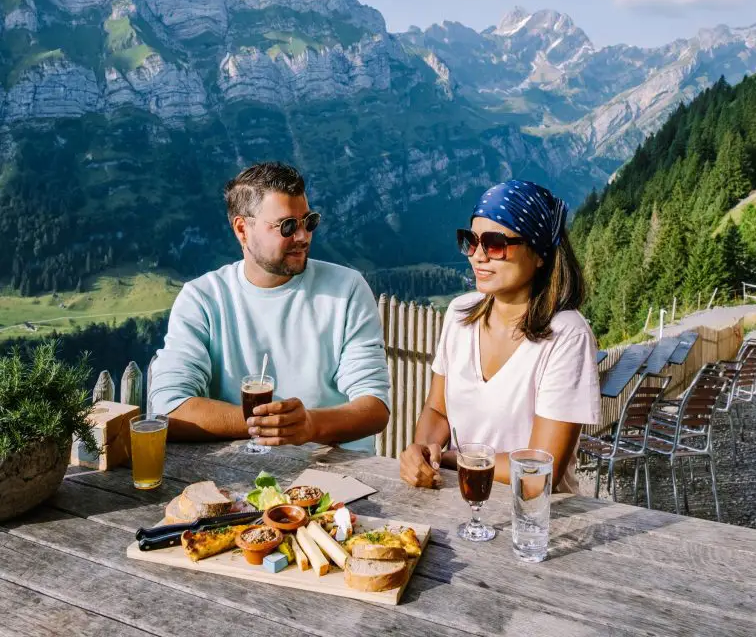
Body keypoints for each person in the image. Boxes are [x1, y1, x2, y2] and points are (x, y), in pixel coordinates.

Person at [149, 162, 390, 451]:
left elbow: (374, 407)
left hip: (337, 480)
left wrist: (310, 425)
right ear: (242, 229)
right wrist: (276, 427)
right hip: (238, 476)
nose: (303, 236)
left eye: (309, 221)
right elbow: (169, 407)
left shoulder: (347, 289)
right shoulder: (202, 299)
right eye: (287, 226)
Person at [400, 178, 600, 492]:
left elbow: (537, 475)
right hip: (459, 499)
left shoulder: (567, 337)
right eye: (470, 240)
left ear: (539, 253)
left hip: (534, 520)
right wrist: (424, 451)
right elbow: (437, 410)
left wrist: (454, 458)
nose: (477, 255)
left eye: (494, 243)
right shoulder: (459, 315)